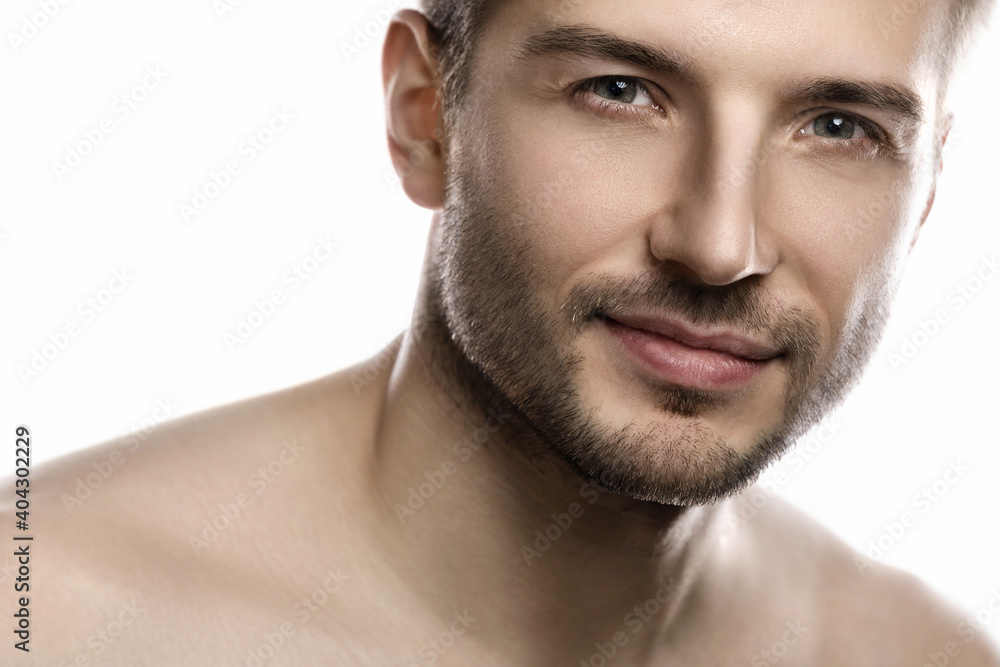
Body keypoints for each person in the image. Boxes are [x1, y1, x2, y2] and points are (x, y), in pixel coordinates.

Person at [7, 0, 999, 664]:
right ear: (424, 115)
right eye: (618, 90)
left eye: (837, 126)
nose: (716, 242)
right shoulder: (49, 618)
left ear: (927, 189)